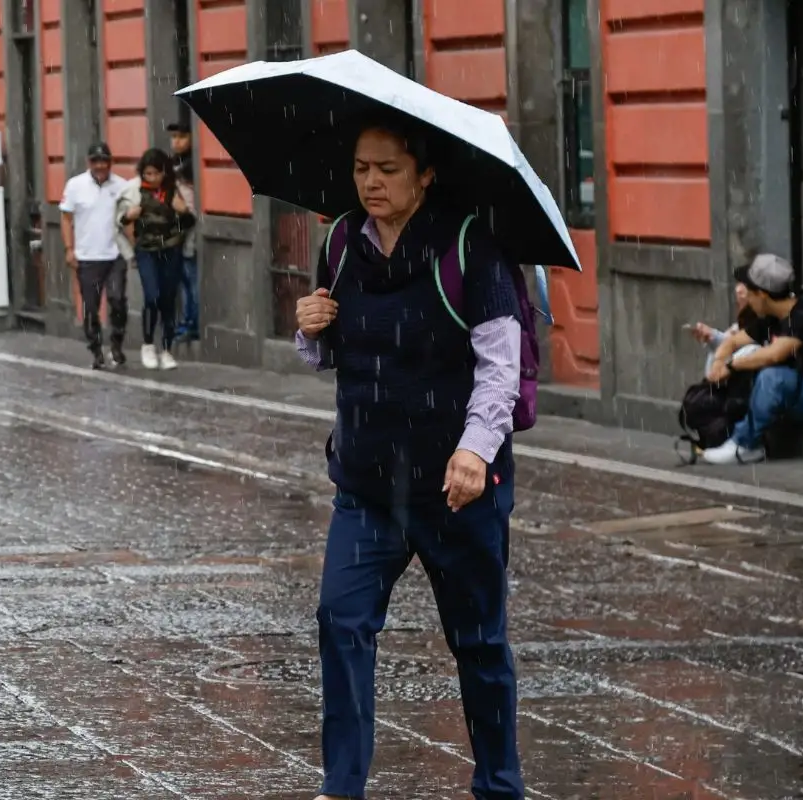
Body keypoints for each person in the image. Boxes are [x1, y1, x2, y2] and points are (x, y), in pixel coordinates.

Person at [295, 120, 524, 800]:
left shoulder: (470, 247)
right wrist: (310, 329)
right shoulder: (341, 243)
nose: (371, 182)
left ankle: (499, 786)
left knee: (478, 642)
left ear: (424, 174)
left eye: (388, 169)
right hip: (366, 484)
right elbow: (330, 353)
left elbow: (500, 368)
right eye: (362, 168)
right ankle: (341, 787)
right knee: (341, 622)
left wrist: (474, 451)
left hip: (457, 488)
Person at [701, 254, 803, 465]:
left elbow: (774, 354)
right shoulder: (770, 319)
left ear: (761, 295)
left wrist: (731, 366)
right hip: (795, 399)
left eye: (750, 294)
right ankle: (730, 432)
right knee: (751, 361)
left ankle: (745, 445)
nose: (747, 300)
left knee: (772, 377)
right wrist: (718, 363)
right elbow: (731, 342)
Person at [118, 148, 192, 370]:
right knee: (152, 296)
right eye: (147, 174)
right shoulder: (134, 189)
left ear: (164, 172)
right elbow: (120, 220)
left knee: (168, 299)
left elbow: (189, 223)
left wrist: (183, 212)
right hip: (146, 251)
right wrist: (128, 217)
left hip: (170, 249)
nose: (152, 178)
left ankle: (167, 350)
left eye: (156, 174)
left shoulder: (174, 190)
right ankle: (148, 345)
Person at [61, 143, 130, 369]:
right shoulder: (75, 185)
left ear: (111, 162)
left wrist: (134, 248)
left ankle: (117, 344)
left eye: (104, 161)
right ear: (88, 162)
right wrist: (69, 249)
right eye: (95, 161)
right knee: (91, 307)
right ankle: (96, 350)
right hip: (87, 256)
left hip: (115, 254)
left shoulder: (122, 186)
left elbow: (130, 219)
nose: (100, 166)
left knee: (118, 300)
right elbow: (66, 218)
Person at [168, 121, 200, 341]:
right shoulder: (175, 163)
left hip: (191, 226)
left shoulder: (191, 166)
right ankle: (187, 321)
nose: (176, 142)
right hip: (179, 227)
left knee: (190, 278)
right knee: (184, 278)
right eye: (174, 137)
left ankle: (192, 323)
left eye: (182, 137)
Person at [687, 281, 760, 373]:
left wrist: (714, 336)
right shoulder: (736, 327)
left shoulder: (763, 331)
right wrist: (711, 338)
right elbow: (727, 343)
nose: (738, 291)